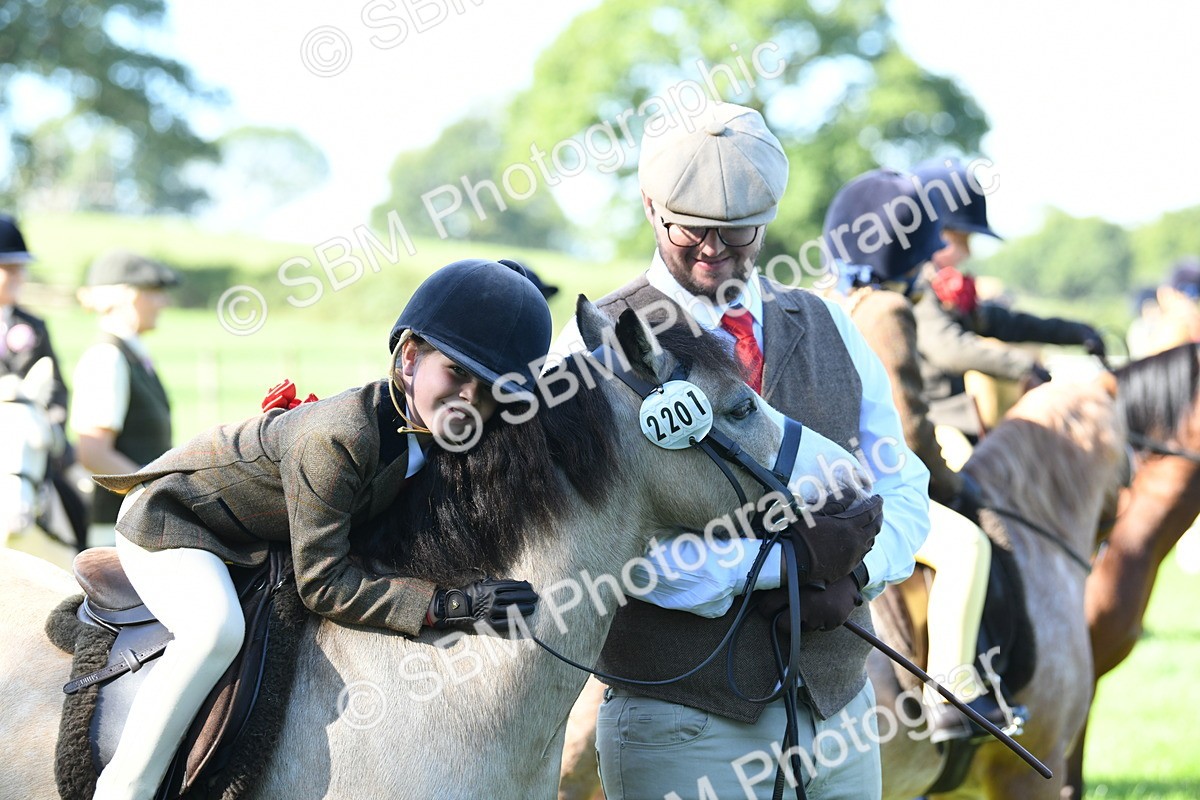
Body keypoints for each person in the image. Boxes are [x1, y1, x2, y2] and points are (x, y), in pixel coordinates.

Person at [553, 103, 930, 799]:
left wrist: (860, 572)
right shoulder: (593, 346)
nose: (712, 252)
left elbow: (903, 485)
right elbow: (602, 553)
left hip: (842, 709)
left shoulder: (829, 325)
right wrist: (781, 566)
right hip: (683, 725)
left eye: (737, 234)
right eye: (688, 230)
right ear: (649, 205)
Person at [90, 258, 546, 800]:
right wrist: (445, 606)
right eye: (457, 373)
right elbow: (323, 583)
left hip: (253, 535)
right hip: (173, 521)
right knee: (214, 632)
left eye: (492, 390)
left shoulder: (430, 435)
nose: (471, 398)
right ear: (408, 358)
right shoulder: (340, 436)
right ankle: (124, 787)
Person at [824, 168, 1014, 743]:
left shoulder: (824, 297)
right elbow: (907, 430)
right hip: (867, 495)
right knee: (966, 545)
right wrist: (956, 488)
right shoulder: (886, 310)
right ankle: (952, 691)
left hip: (816, 483)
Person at [910, 159, 1106, 442]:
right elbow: (949, 349)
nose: (967, 252)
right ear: (929, 233)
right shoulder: (914, 289)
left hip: (959, 424)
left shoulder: (939, 285)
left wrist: (1076, 332)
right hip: (930, 428)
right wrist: (1024, 366)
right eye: (959, 239)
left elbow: (1006, 323)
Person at [70, 250, 179, 547]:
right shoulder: (107, 357)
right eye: (154, 292)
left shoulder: (131, 354)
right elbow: (93, 452)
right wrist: (157, 493)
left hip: (139, 527)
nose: (163, 302)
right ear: (127, 297)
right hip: (119, 535)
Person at [0, 214, 89, 548]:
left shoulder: (34, 325)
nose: (19, 276)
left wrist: (53, 423)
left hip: (34, 442)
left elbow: (56, 387)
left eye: (20, 267)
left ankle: (83, 554)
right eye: (9, 267)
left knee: (78, 493)